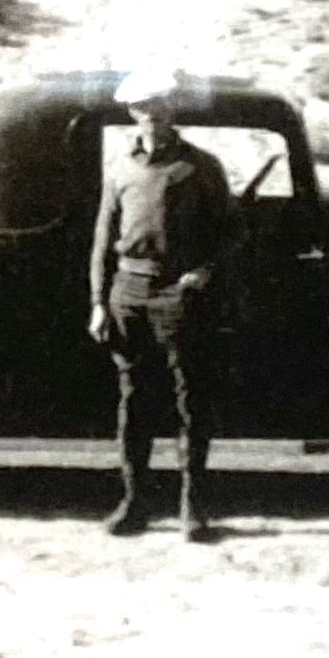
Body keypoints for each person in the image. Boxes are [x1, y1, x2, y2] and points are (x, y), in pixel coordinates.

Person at [88, 94, 244, 539]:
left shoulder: (201, 166)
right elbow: (103, 237)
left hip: (180, 293)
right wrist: (99, 301)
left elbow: (232, 232)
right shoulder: (120, 167)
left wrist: (204, 272)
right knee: (134, 398)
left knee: (189, 400)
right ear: (133, 114)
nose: (153, 117)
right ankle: (134, 504)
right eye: (143, 109)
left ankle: (192, 509)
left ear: (173, 111)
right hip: (128, 291)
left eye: (161, 108)